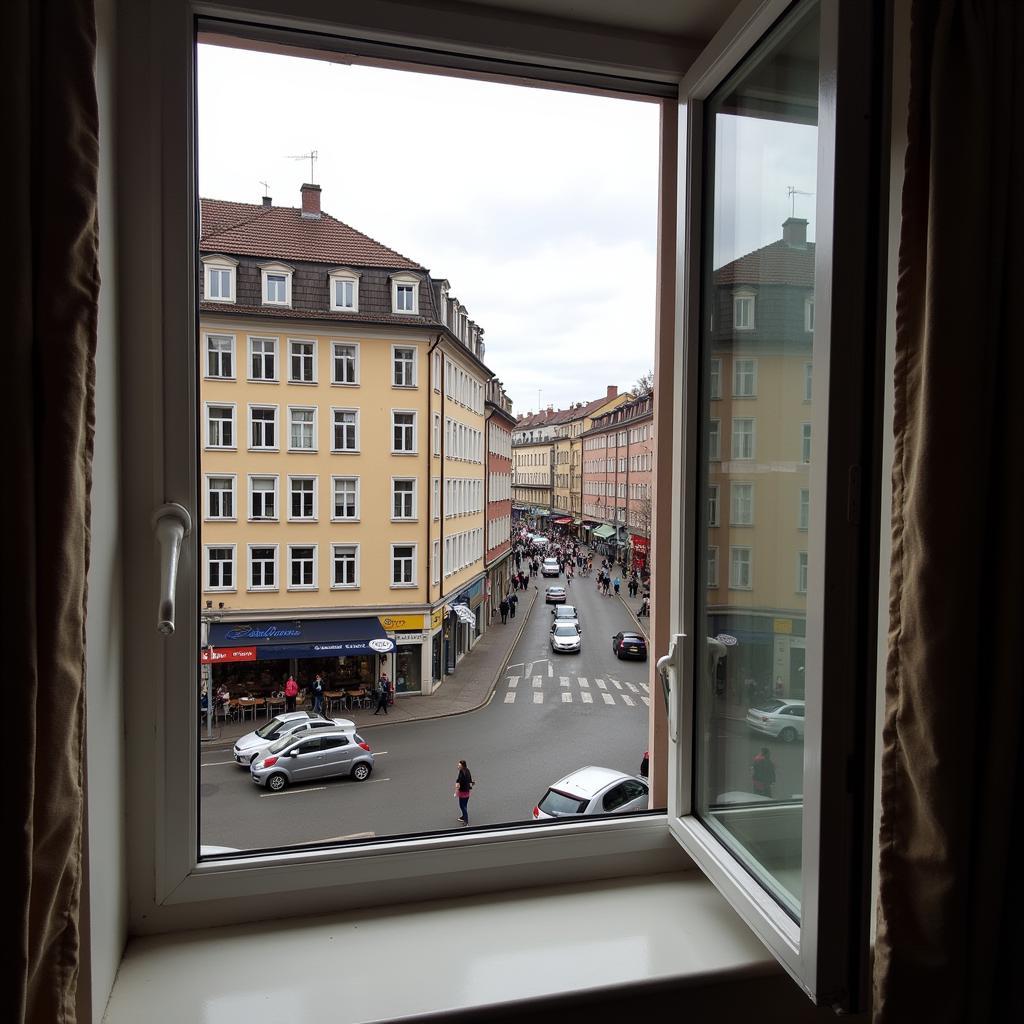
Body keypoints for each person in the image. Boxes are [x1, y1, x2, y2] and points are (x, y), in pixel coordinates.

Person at [454, 759, 474, 825]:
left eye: (459, 765)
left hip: (463, 792)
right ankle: (463, 817)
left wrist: (456, 792)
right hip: (467, 791)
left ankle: (466, 821)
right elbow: (470, 780)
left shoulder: (462, 773)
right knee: (464, 805)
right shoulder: (467, 770)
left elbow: (459, 783)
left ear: (462, 766)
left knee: (462, 806)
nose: (458, 766)